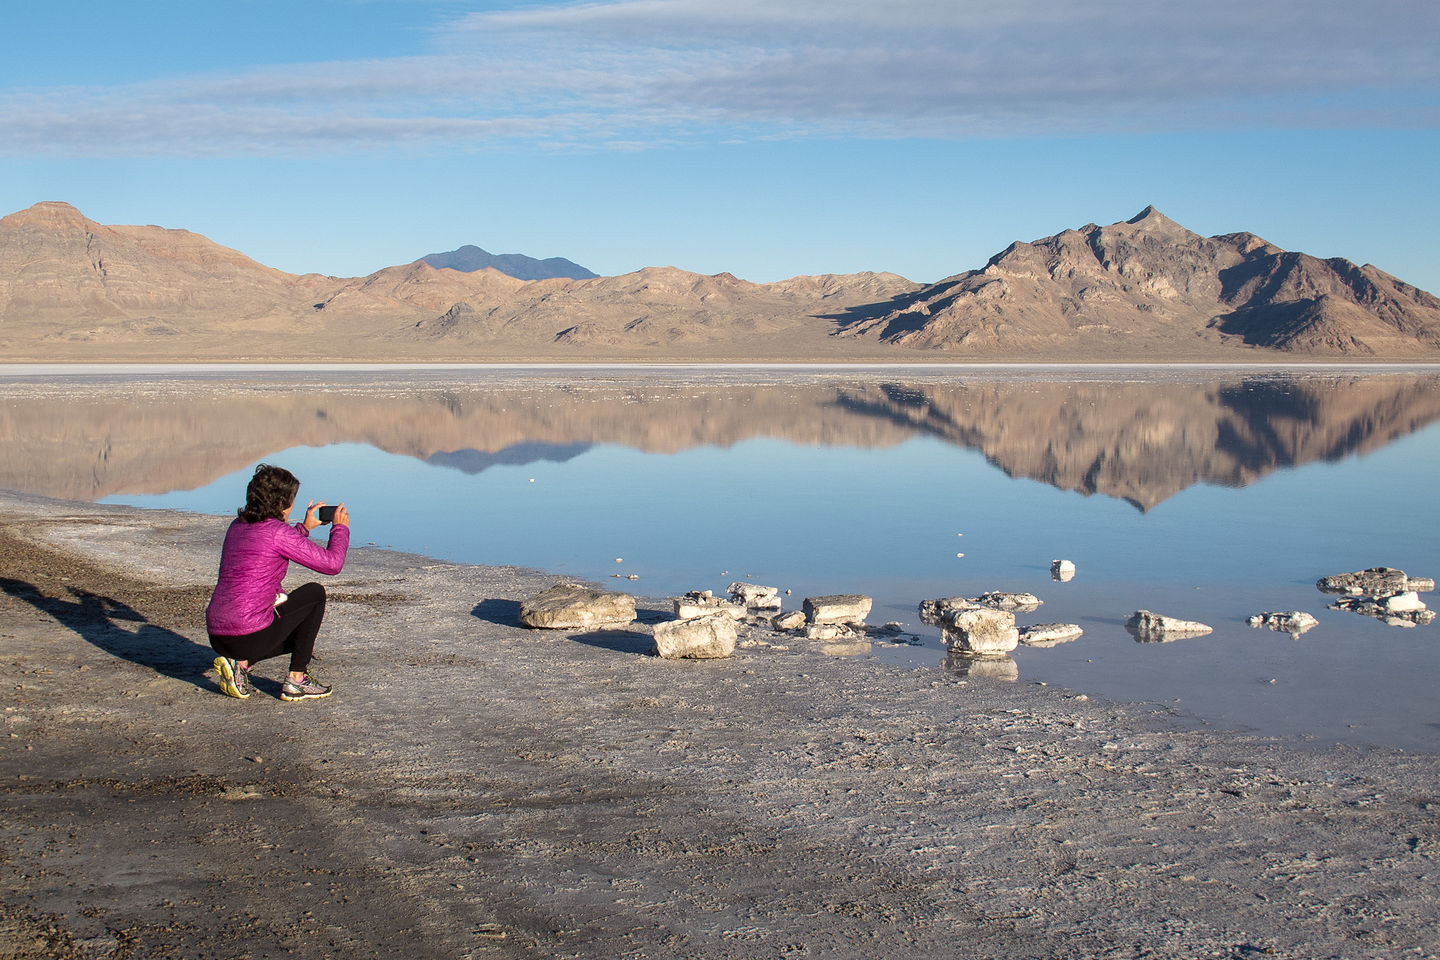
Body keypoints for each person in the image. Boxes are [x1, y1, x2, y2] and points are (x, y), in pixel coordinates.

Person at [205, 463, 350, 701]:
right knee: (314, 595)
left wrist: (303, 528)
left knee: (283, 614)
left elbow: (268, 549)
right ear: (283, 503)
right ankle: (297, 680)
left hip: (218, 636)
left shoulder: (237, 526)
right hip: (247, 635)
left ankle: (240, 664)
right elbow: (332, 564)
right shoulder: (277, 532)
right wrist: (340, 529)